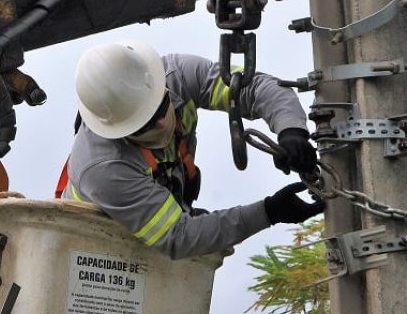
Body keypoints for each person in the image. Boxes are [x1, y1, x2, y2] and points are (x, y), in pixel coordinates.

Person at [57, 39, 324, 259]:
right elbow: (178, 236)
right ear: (118, 130)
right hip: (92, 256)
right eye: (145, 124)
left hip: (150, 246)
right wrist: (269, 212)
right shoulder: (103, 169)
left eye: (161, 107)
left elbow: (254, 87)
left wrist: (291, 131)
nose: (161, 123)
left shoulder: (176, 75)